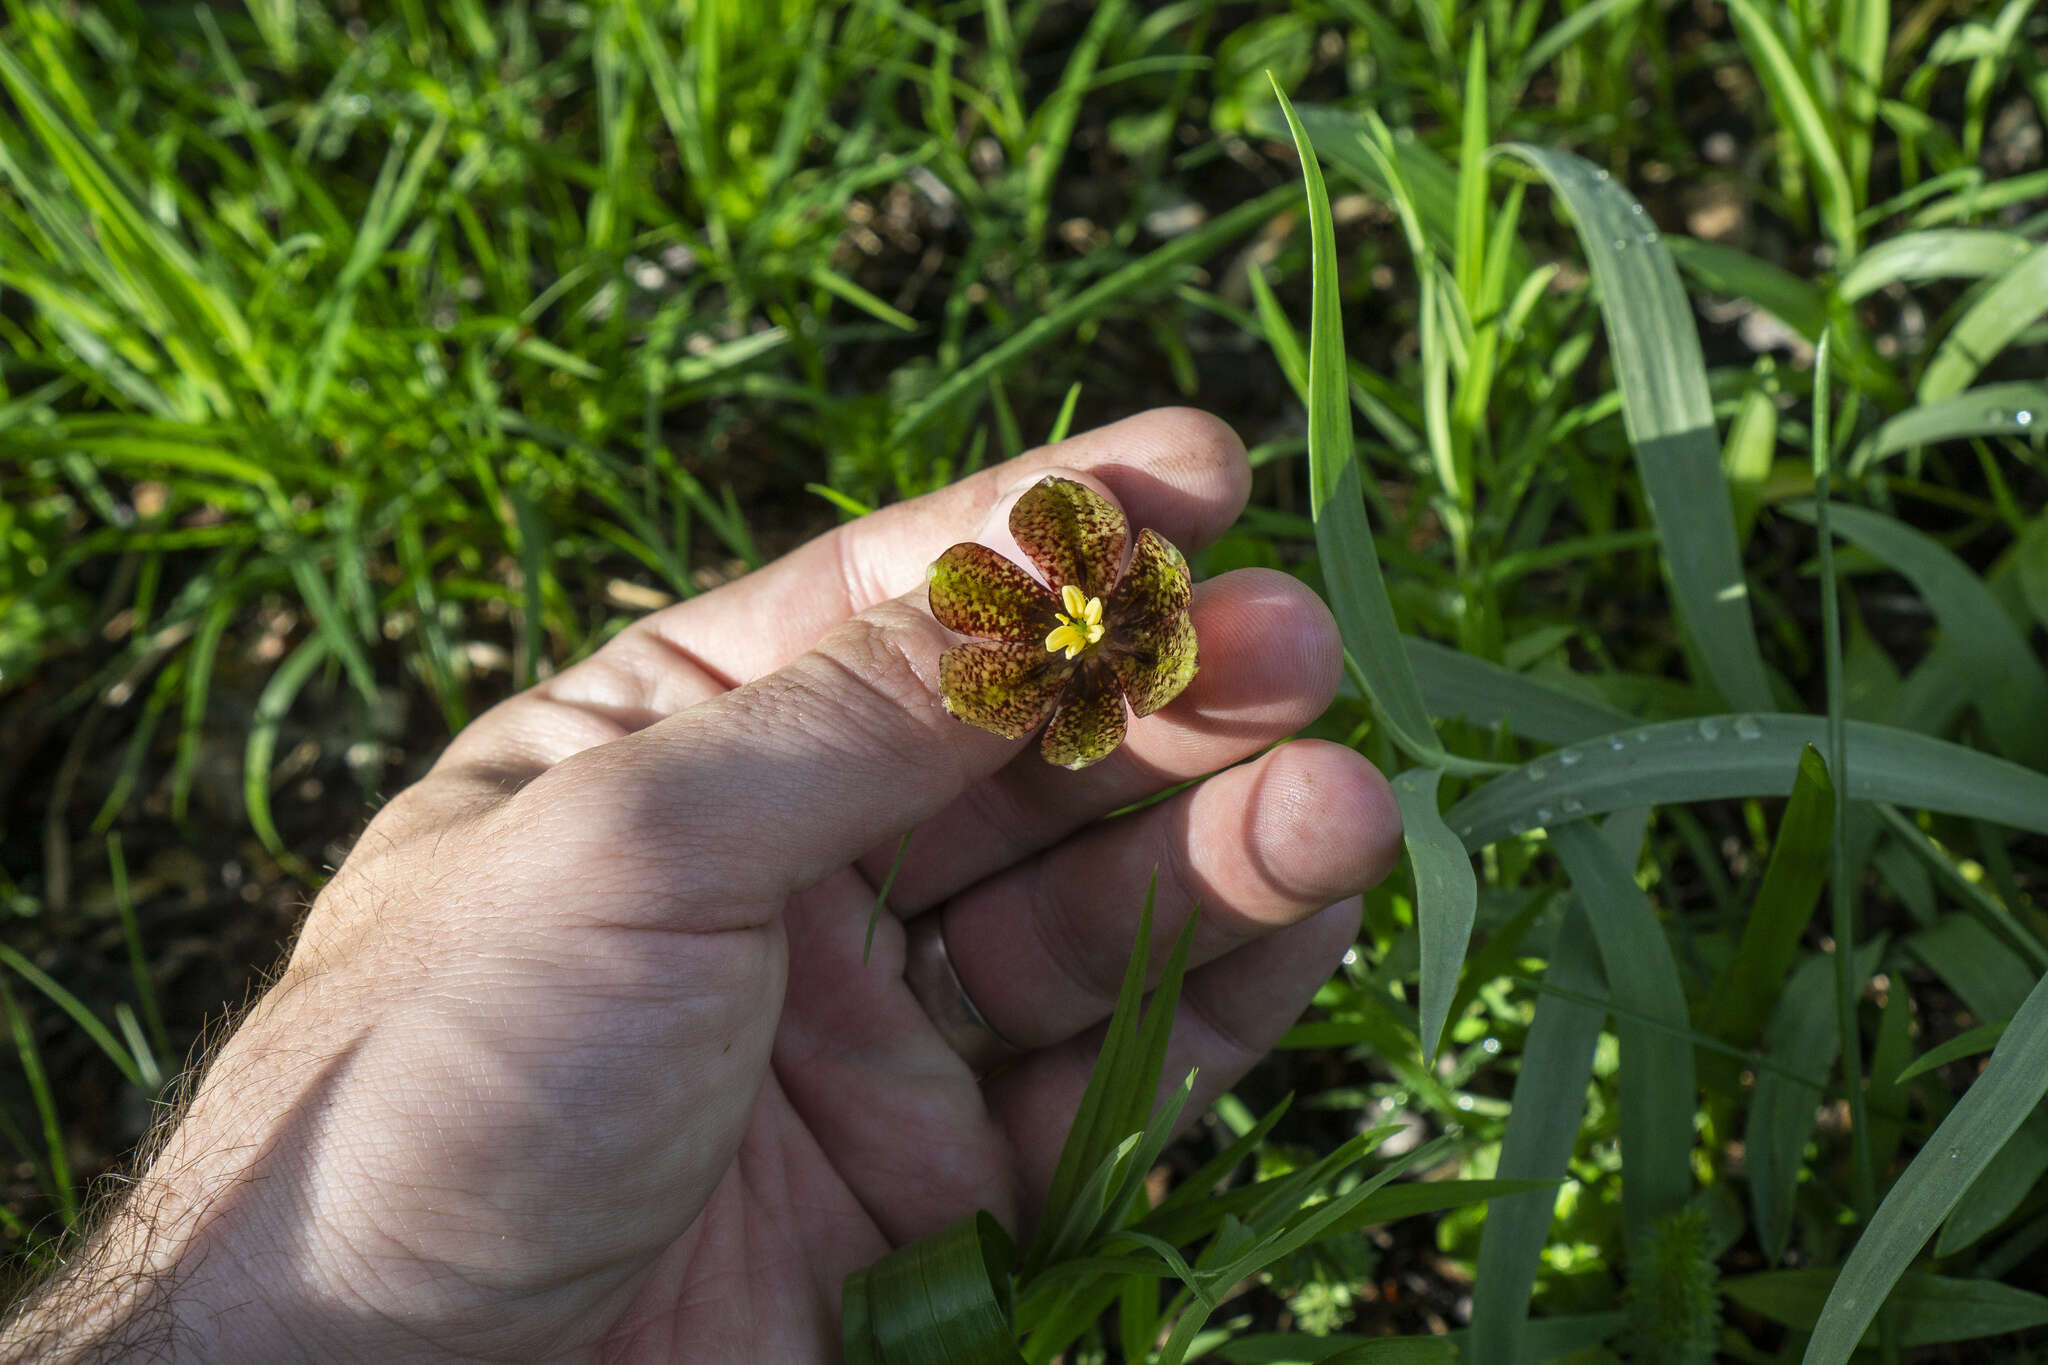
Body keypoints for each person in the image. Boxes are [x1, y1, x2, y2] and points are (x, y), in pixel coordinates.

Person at [2, 410, 1401, 1361]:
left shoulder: (1113, 641)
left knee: (1269, 779)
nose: (1083, 617)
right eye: (1073, 607)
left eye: (1091, 610)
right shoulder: (1005, 638)